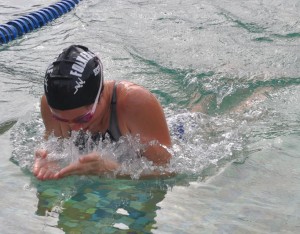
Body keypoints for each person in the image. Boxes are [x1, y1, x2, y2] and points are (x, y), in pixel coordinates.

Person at [34, 45, 172, 180]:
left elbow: (169, 171)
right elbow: (55, 149)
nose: (74, 128)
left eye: (82, 118)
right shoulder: (49, 105)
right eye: (62, 120)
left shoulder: (136, 103)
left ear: (99, 97)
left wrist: (112, 170)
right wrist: (49, 160)